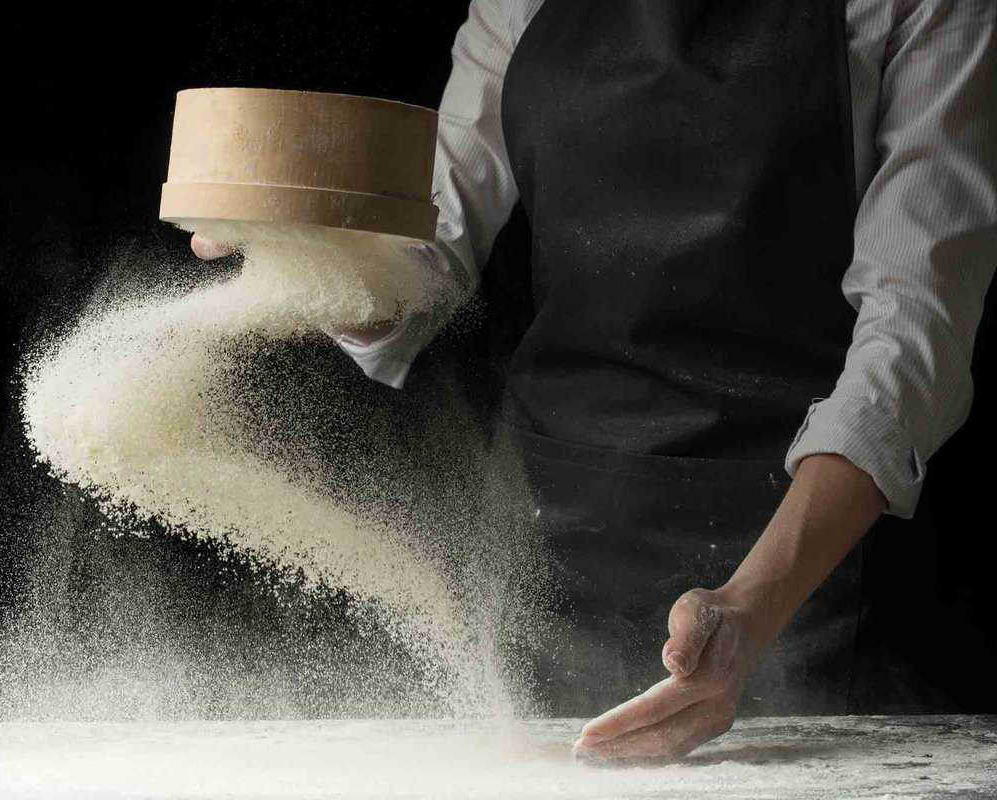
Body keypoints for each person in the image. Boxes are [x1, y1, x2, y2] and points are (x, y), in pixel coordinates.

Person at [191, 0, 996, 760]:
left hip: (806, 545)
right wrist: (320, 262)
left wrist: (754, 608)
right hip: (552, 531)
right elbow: (427, 257)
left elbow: (918, 316)